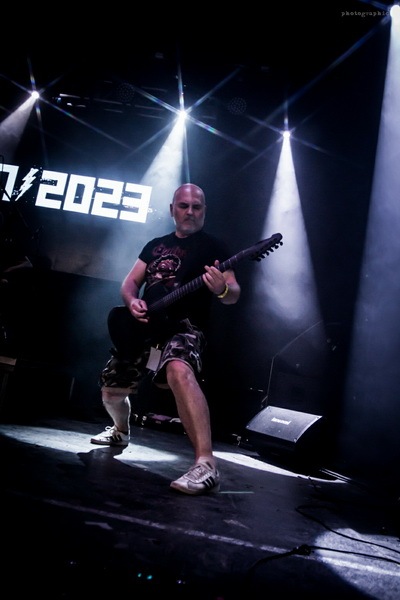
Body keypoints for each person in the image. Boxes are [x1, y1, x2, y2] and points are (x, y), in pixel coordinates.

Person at [90, 183, 241, 495]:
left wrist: (222, 289)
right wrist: (133, 301)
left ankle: (206, 464)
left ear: (204, 210)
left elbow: (233, 294)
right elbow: (130, 283)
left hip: (185, 327)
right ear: (173, 209)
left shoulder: (214, 247)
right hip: (145, 327)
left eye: (196, 206)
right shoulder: (155, 245)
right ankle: (120, 431)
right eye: (184, 206)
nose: (190, 212)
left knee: (178, 371)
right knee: (111, 391)